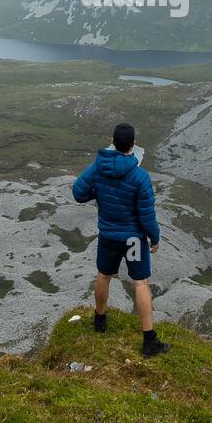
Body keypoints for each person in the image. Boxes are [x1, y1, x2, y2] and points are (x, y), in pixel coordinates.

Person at [71, 123, 170, 357]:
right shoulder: (139, 176)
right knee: (140, 283)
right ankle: (149, 341)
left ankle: (100, 319)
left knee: (104, 275)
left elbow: (78, 192)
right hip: (133, 240)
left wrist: (98, 191)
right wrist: (154, 238)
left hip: (108, 236)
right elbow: (147, 217)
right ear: (133, 145)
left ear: (112, 141)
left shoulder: (98, 168)